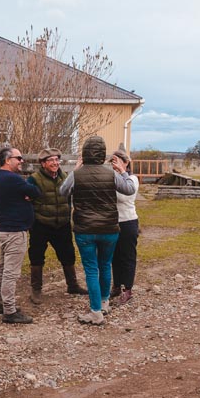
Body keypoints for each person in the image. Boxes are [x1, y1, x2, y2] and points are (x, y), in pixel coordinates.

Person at [59, 135, 136, 326]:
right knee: (105, 265)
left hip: (85, 229)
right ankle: (104, 303)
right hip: (109, 228)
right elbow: (128, 189)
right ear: (103, 154)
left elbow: (62, 192)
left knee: (91, 269)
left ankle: (95, 312)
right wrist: (123, 171)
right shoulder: (111, 174)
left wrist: (76, 169)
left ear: (84, 154)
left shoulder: (77, 175)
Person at [26, 147, 88, 305]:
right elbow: (27, 201)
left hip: (62, 224)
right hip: (41, 223)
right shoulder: (34, 179)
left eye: (56, 160)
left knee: (68, 254)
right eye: (51, 160)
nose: (55, 163)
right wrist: (32, 221)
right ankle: (36, 290)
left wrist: (67, 215)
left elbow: (68, 198)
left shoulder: (64, 176)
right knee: (37, 255)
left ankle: (72, 285)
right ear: (43, 163)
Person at [0, 146, 41, 324]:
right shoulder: (12, 179)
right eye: (18, 158)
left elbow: (28, 193)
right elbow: (35, 192)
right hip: (14, 232)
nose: (21, 161)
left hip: (4, 230)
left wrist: (25, 194)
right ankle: (10, 311)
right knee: (10, 273)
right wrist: (27, 194)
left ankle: (1, 304)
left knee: (3, 269)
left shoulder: (1, 178)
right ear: (7, 160)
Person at [109, 145, 139, 306]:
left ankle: (128, 289)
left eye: (117, 161)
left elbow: (125, 197)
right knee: (114, 256)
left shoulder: (132, 179)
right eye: (112, 162)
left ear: (126, 162)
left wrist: (121, 173)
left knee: (127, 256)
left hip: (128, 222)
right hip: (113, 222)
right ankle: (116, 285)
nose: (114, 165)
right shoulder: (112, 177)